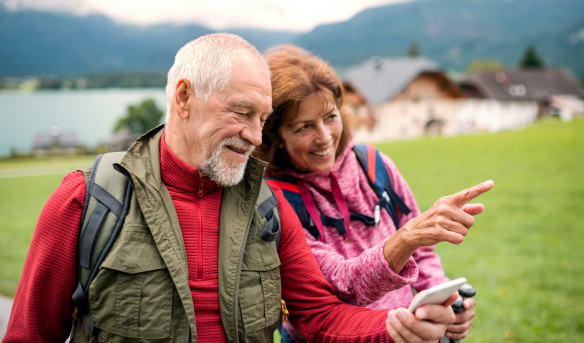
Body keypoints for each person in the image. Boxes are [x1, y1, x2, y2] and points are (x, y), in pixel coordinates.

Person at [4, 34, 462, 343]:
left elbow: (319, 315)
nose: (256, 137)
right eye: (241, 113)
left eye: (262, 120)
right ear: (183, 98)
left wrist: (397, 325)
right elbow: (29, 335)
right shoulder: (87, 201)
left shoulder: (268, 205)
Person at [254, 45, 493, 342]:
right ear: (274, 135)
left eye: (330, 117)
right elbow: (341, 285)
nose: (325, 136)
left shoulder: (373, 164)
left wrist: (446, 302)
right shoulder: (274, 201)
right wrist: (405, 238)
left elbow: (424, 253)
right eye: (304, 127)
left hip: (406, 331)